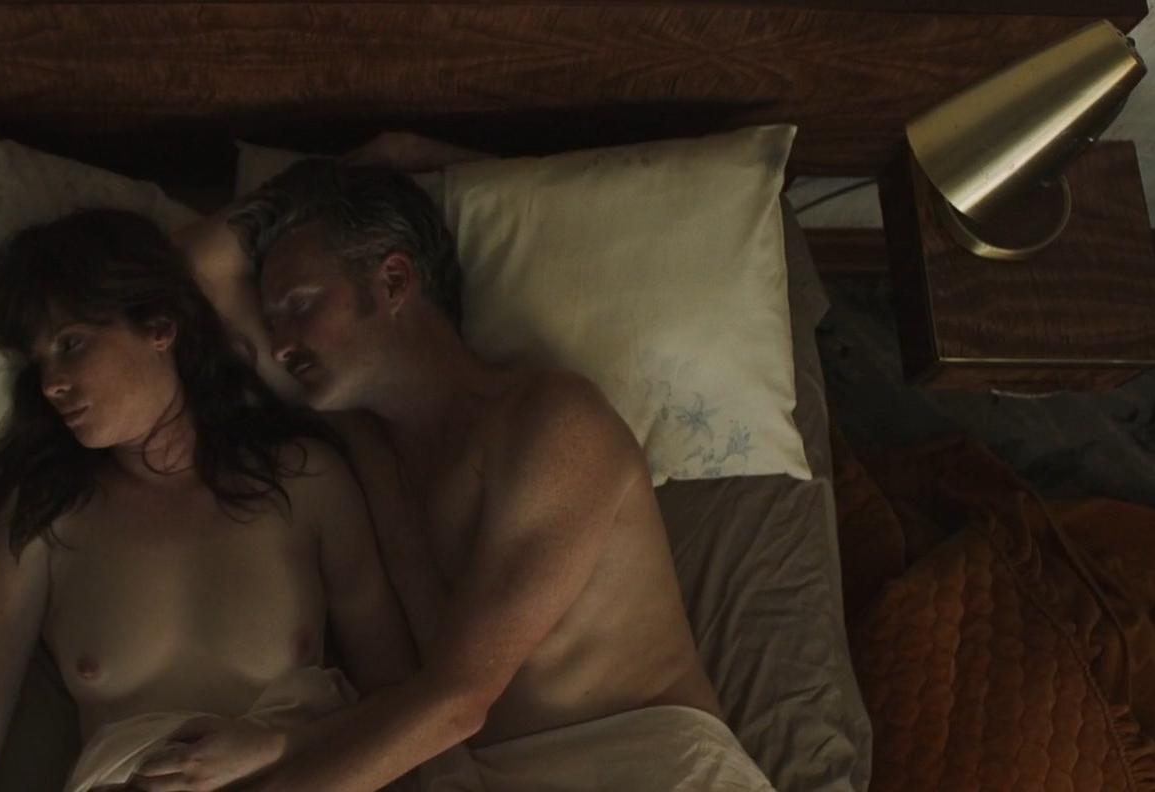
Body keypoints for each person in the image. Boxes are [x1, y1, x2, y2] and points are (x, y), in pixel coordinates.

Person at [142, 144, 772, 791]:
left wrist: (386, 158)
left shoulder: (550, 423)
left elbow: (460, 699)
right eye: (272, 319)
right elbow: (203, 263)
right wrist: (278, 745)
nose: (279, 344)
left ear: (393, 281)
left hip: (646, 770)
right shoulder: (369, 447)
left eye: (300, 305)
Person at [0, 209, 416, 792]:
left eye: (71, 344)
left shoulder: (306, 480)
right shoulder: (42, 517)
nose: (51, 383)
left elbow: (400, 702)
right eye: (40, 363)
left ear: (159, 327)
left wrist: (278, 747)